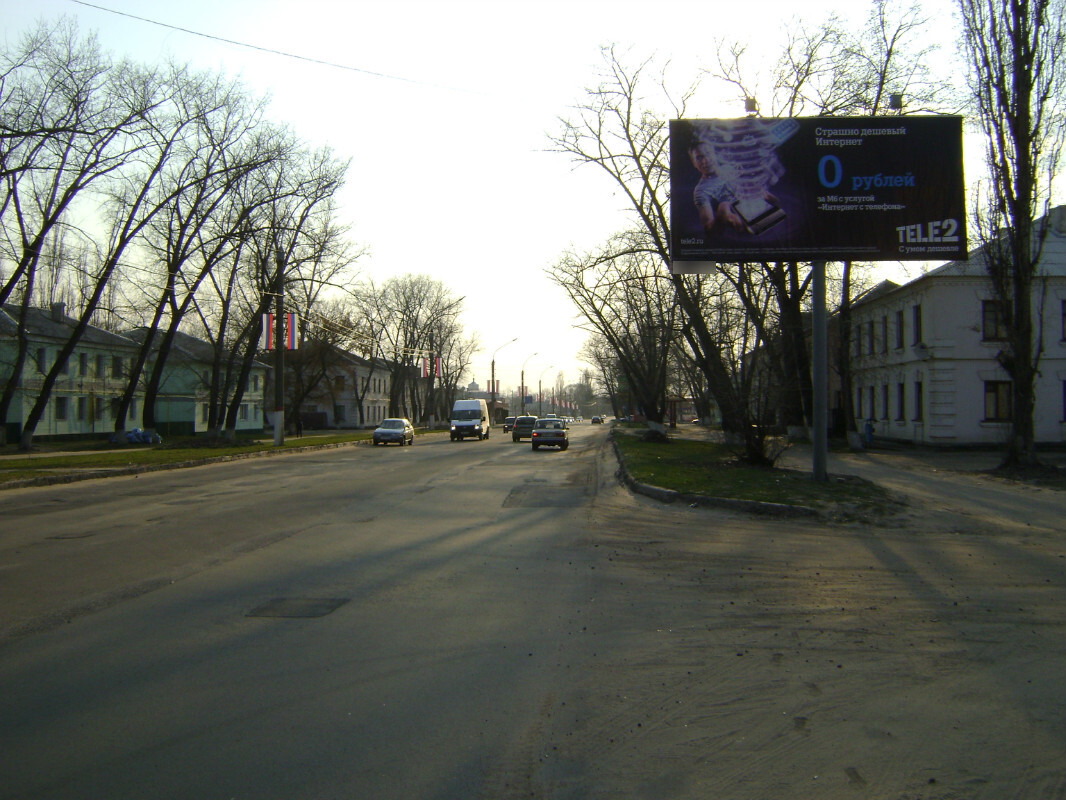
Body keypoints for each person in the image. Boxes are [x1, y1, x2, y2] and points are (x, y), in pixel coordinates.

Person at [687, 139, 745, 233]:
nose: (706, 161)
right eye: (699, 158)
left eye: (708, 154)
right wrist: (722, 215)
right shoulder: (700, 191)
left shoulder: (731, 168)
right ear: (694, 163)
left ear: (715, 154)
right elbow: (709, 228)